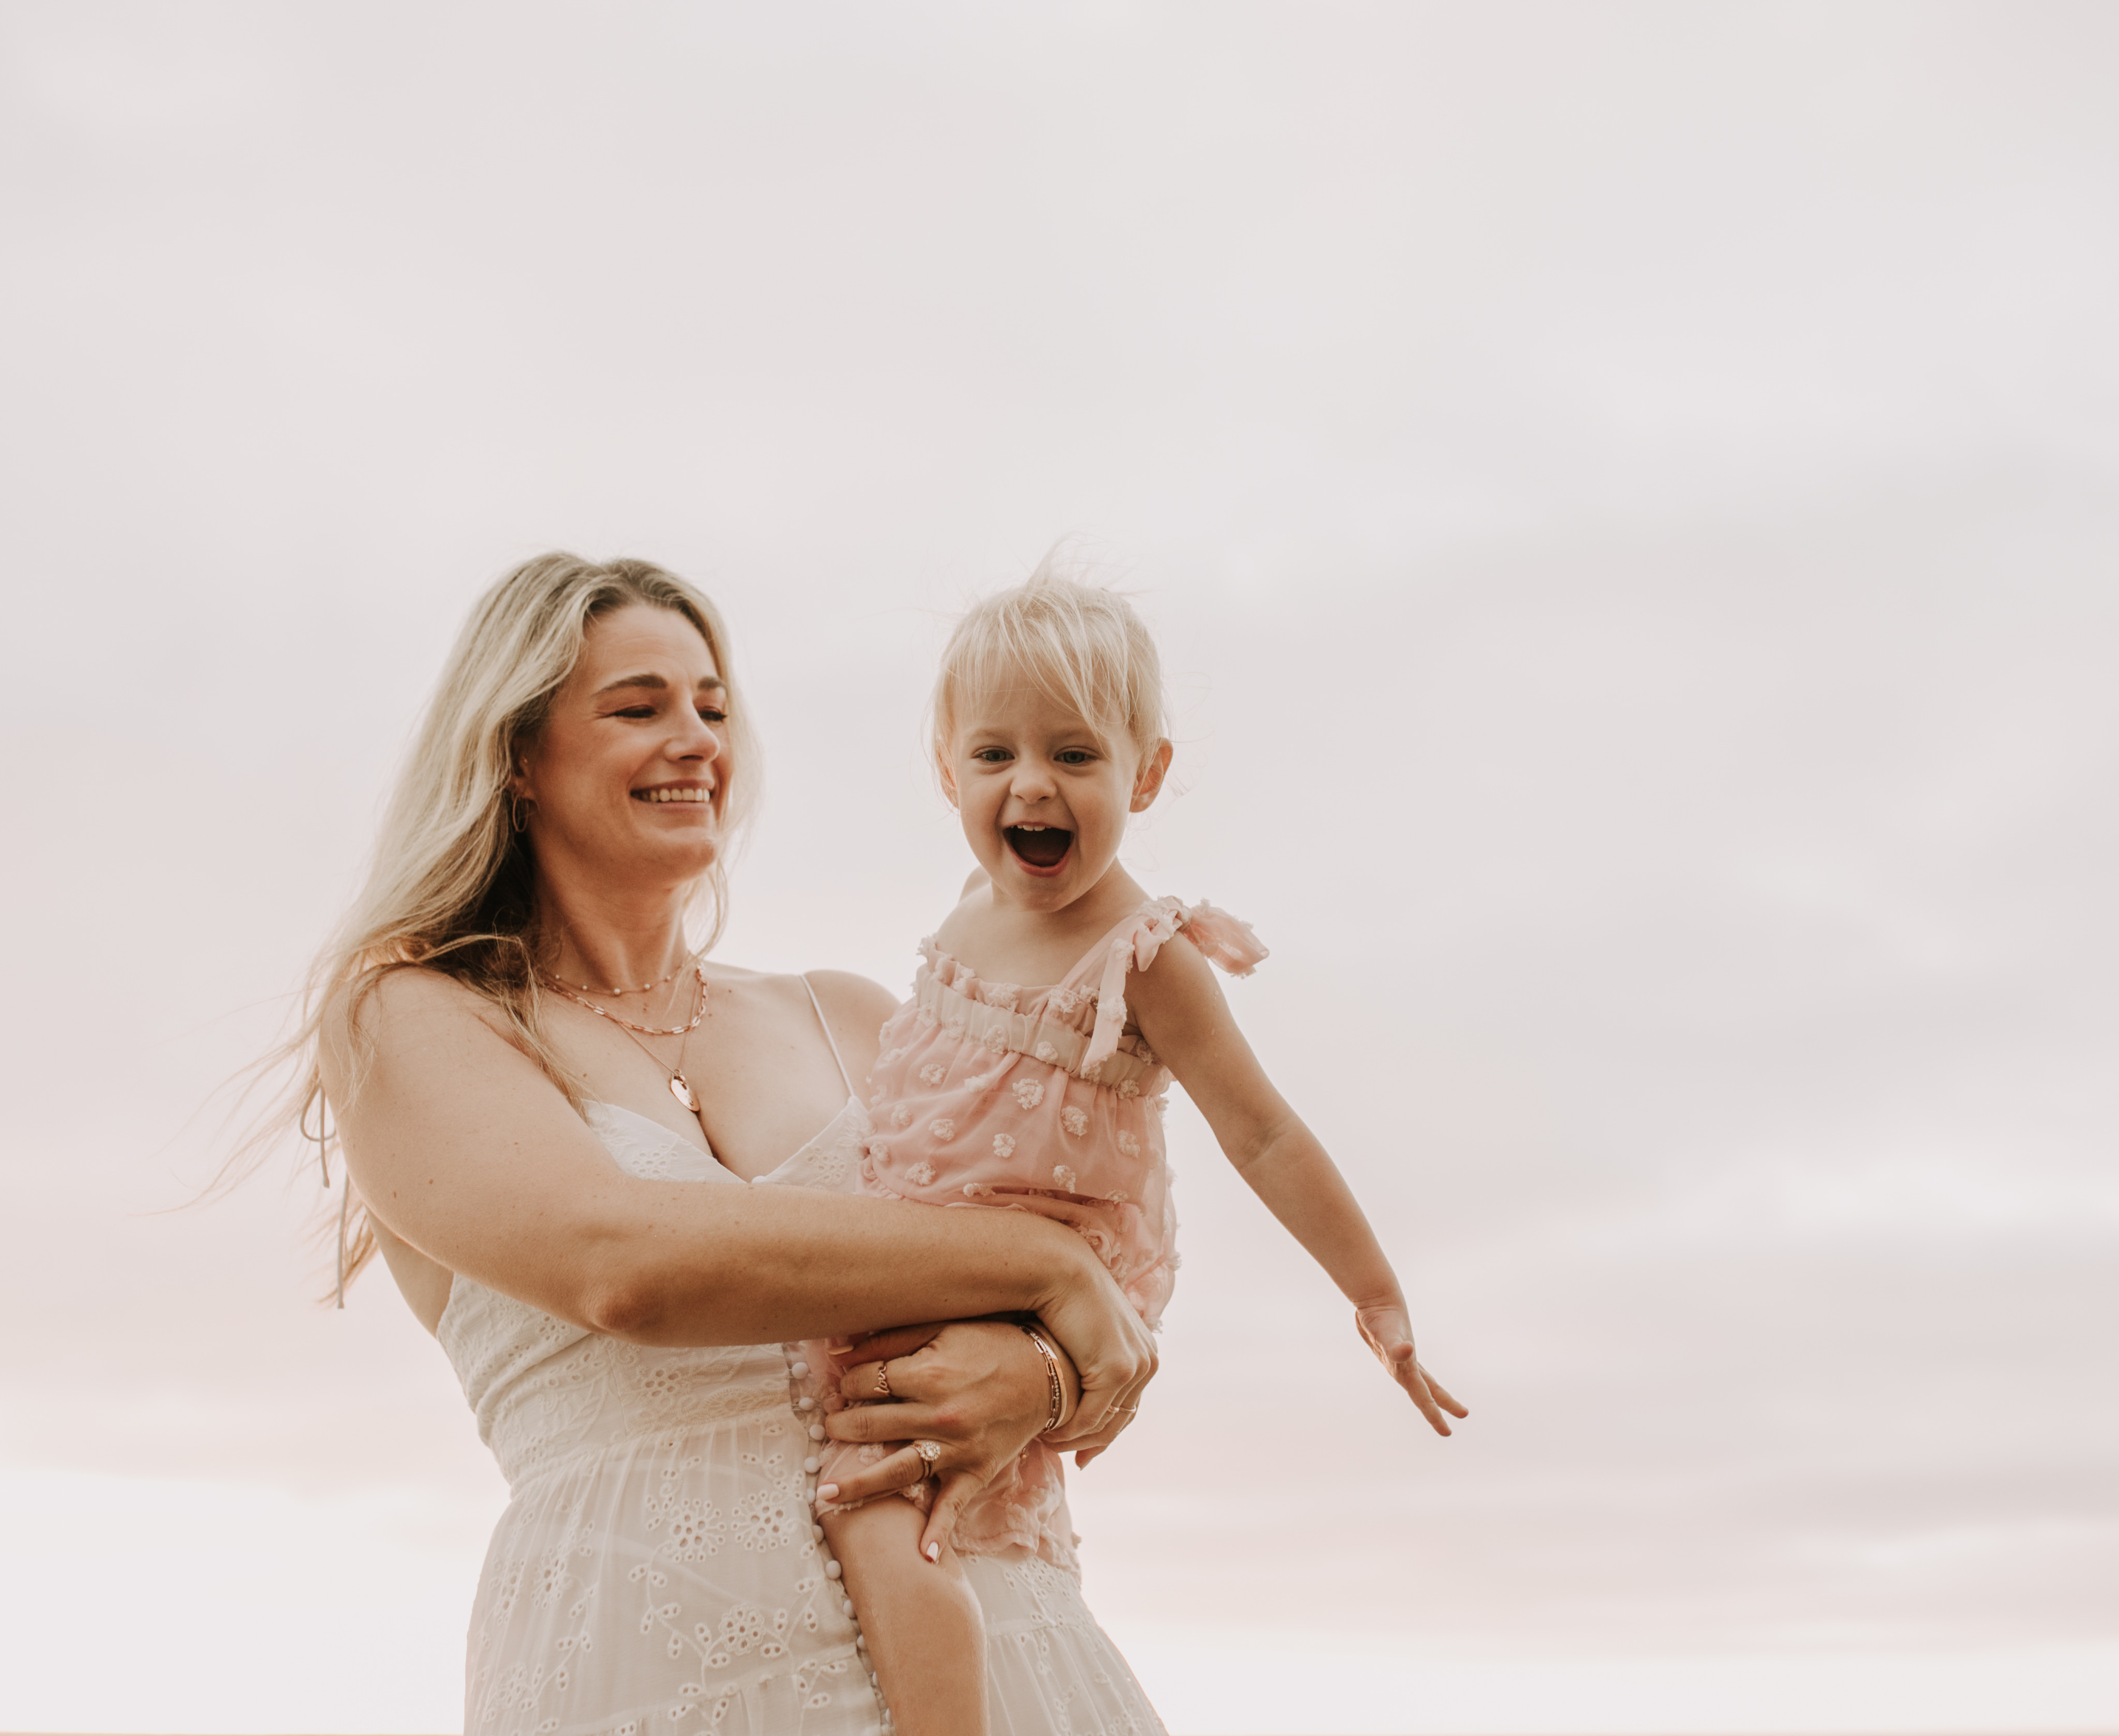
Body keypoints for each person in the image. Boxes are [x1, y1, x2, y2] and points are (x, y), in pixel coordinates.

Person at [285, 554, 1167, 1736]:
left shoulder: (850, 1015)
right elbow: (624, 1267)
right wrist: (1045, 1272)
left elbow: (1096, 1251)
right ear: (517, 757)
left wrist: (1045, 1374)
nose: (697, 737)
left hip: (994, 1642)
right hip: (650, 1663)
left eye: (712, 705)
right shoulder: (413, 1017)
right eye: (638, 707)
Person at [806, 570, 1468, 1736]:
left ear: (1145, 774)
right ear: (948, 769)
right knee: (858, 1490)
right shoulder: (973, 899)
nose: (1032, 786)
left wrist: (1376, 1295)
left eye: (1074, 755)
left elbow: (1261, 1130)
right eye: (995, 755)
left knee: (887, 1512)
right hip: (914, 1262)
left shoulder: (1145, 954)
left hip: (1029, 1296)